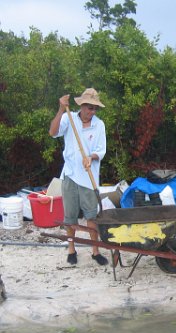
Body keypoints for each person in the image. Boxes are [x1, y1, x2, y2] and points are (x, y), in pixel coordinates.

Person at [49, 88, 108, 265]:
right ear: (81, 106)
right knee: (70, 217)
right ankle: (71, 248)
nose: (92, 112)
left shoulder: (99, 125)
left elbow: (101, 151)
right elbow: (53, 132)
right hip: (70, 175)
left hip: (89, 177)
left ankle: (95, 251)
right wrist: (60, 109)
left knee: (91, 216)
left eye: (95, 108)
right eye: (90, 107)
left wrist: (91, 157)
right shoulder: (69, 118)